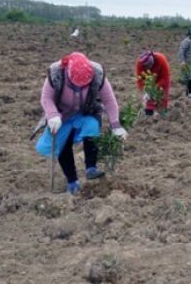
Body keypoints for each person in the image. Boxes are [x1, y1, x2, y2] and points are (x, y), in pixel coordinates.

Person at [35, 52, 128, 194]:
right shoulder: (56, 74)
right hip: (62, 115)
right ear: (68, 74)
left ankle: (91, 168)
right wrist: (53, 115)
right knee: (63, 146)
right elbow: (46, 98)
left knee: (92, 127)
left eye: (83, 86)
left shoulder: (97, 74)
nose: (79, 89)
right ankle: (72, 182)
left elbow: (109, 101)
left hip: (87, 110)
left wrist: (116, 125)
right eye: (75, 86)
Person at [135, 50, 171, 117]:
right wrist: (146, 91)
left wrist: (155, 88)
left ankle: (163, 114)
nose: (149, 67)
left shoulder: (161, 59)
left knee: (162, 96)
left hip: (161, 77)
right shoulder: (140, 63)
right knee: (149, 98)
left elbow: (165, 78)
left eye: (151, 65)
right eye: (147, 66)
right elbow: (140, 79)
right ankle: (148, 114)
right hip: (149, 79)